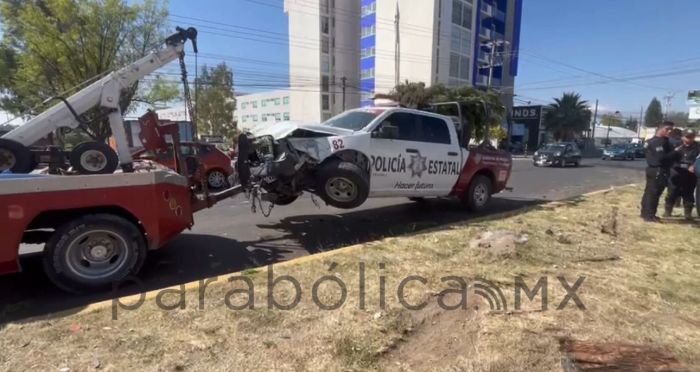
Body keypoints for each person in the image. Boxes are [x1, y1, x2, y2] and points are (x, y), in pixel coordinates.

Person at [640, 121, 677, 222]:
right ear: (661, 129)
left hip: (654, 169)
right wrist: (675, 152)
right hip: (658, 170)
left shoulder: (655, 140)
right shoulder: (658, 142)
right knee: (653, 193)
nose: (669, 131)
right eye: (667, 129)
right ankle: (649, 215)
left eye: (671, 130)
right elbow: (661, 158)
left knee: (649, 192)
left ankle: (645, 213)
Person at [664, 129, 700, 220]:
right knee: (672, 192)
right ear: (682, 136)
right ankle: (668, 211)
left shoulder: (697, 147)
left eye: (691, 137)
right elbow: (669, 158)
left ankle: (688, 213)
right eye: (687, 137)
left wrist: (694, 165)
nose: (689, 139)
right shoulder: (676, 145)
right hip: (676, 171)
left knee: (688, 193)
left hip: (690, 174)